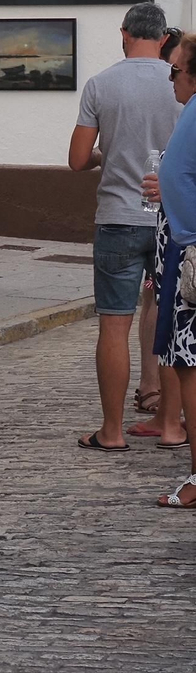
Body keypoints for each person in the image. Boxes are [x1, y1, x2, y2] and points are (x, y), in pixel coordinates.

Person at [70, 2, 183, 452]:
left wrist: (108, 156)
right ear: (162, 38)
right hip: (171, 218)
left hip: (117, 216)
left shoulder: (101, 84)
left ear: (123, 33)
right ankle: (171, 424)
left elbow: (78, 159)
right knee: (173, 322)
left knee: (113, 326)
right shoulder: (179, 84)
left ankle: (112, 431)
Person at [143, 32, 196, 506]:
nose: (171, 77)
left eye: (176, 70)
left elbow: (180, 177)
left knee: (191, 366)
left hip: (192, 259)